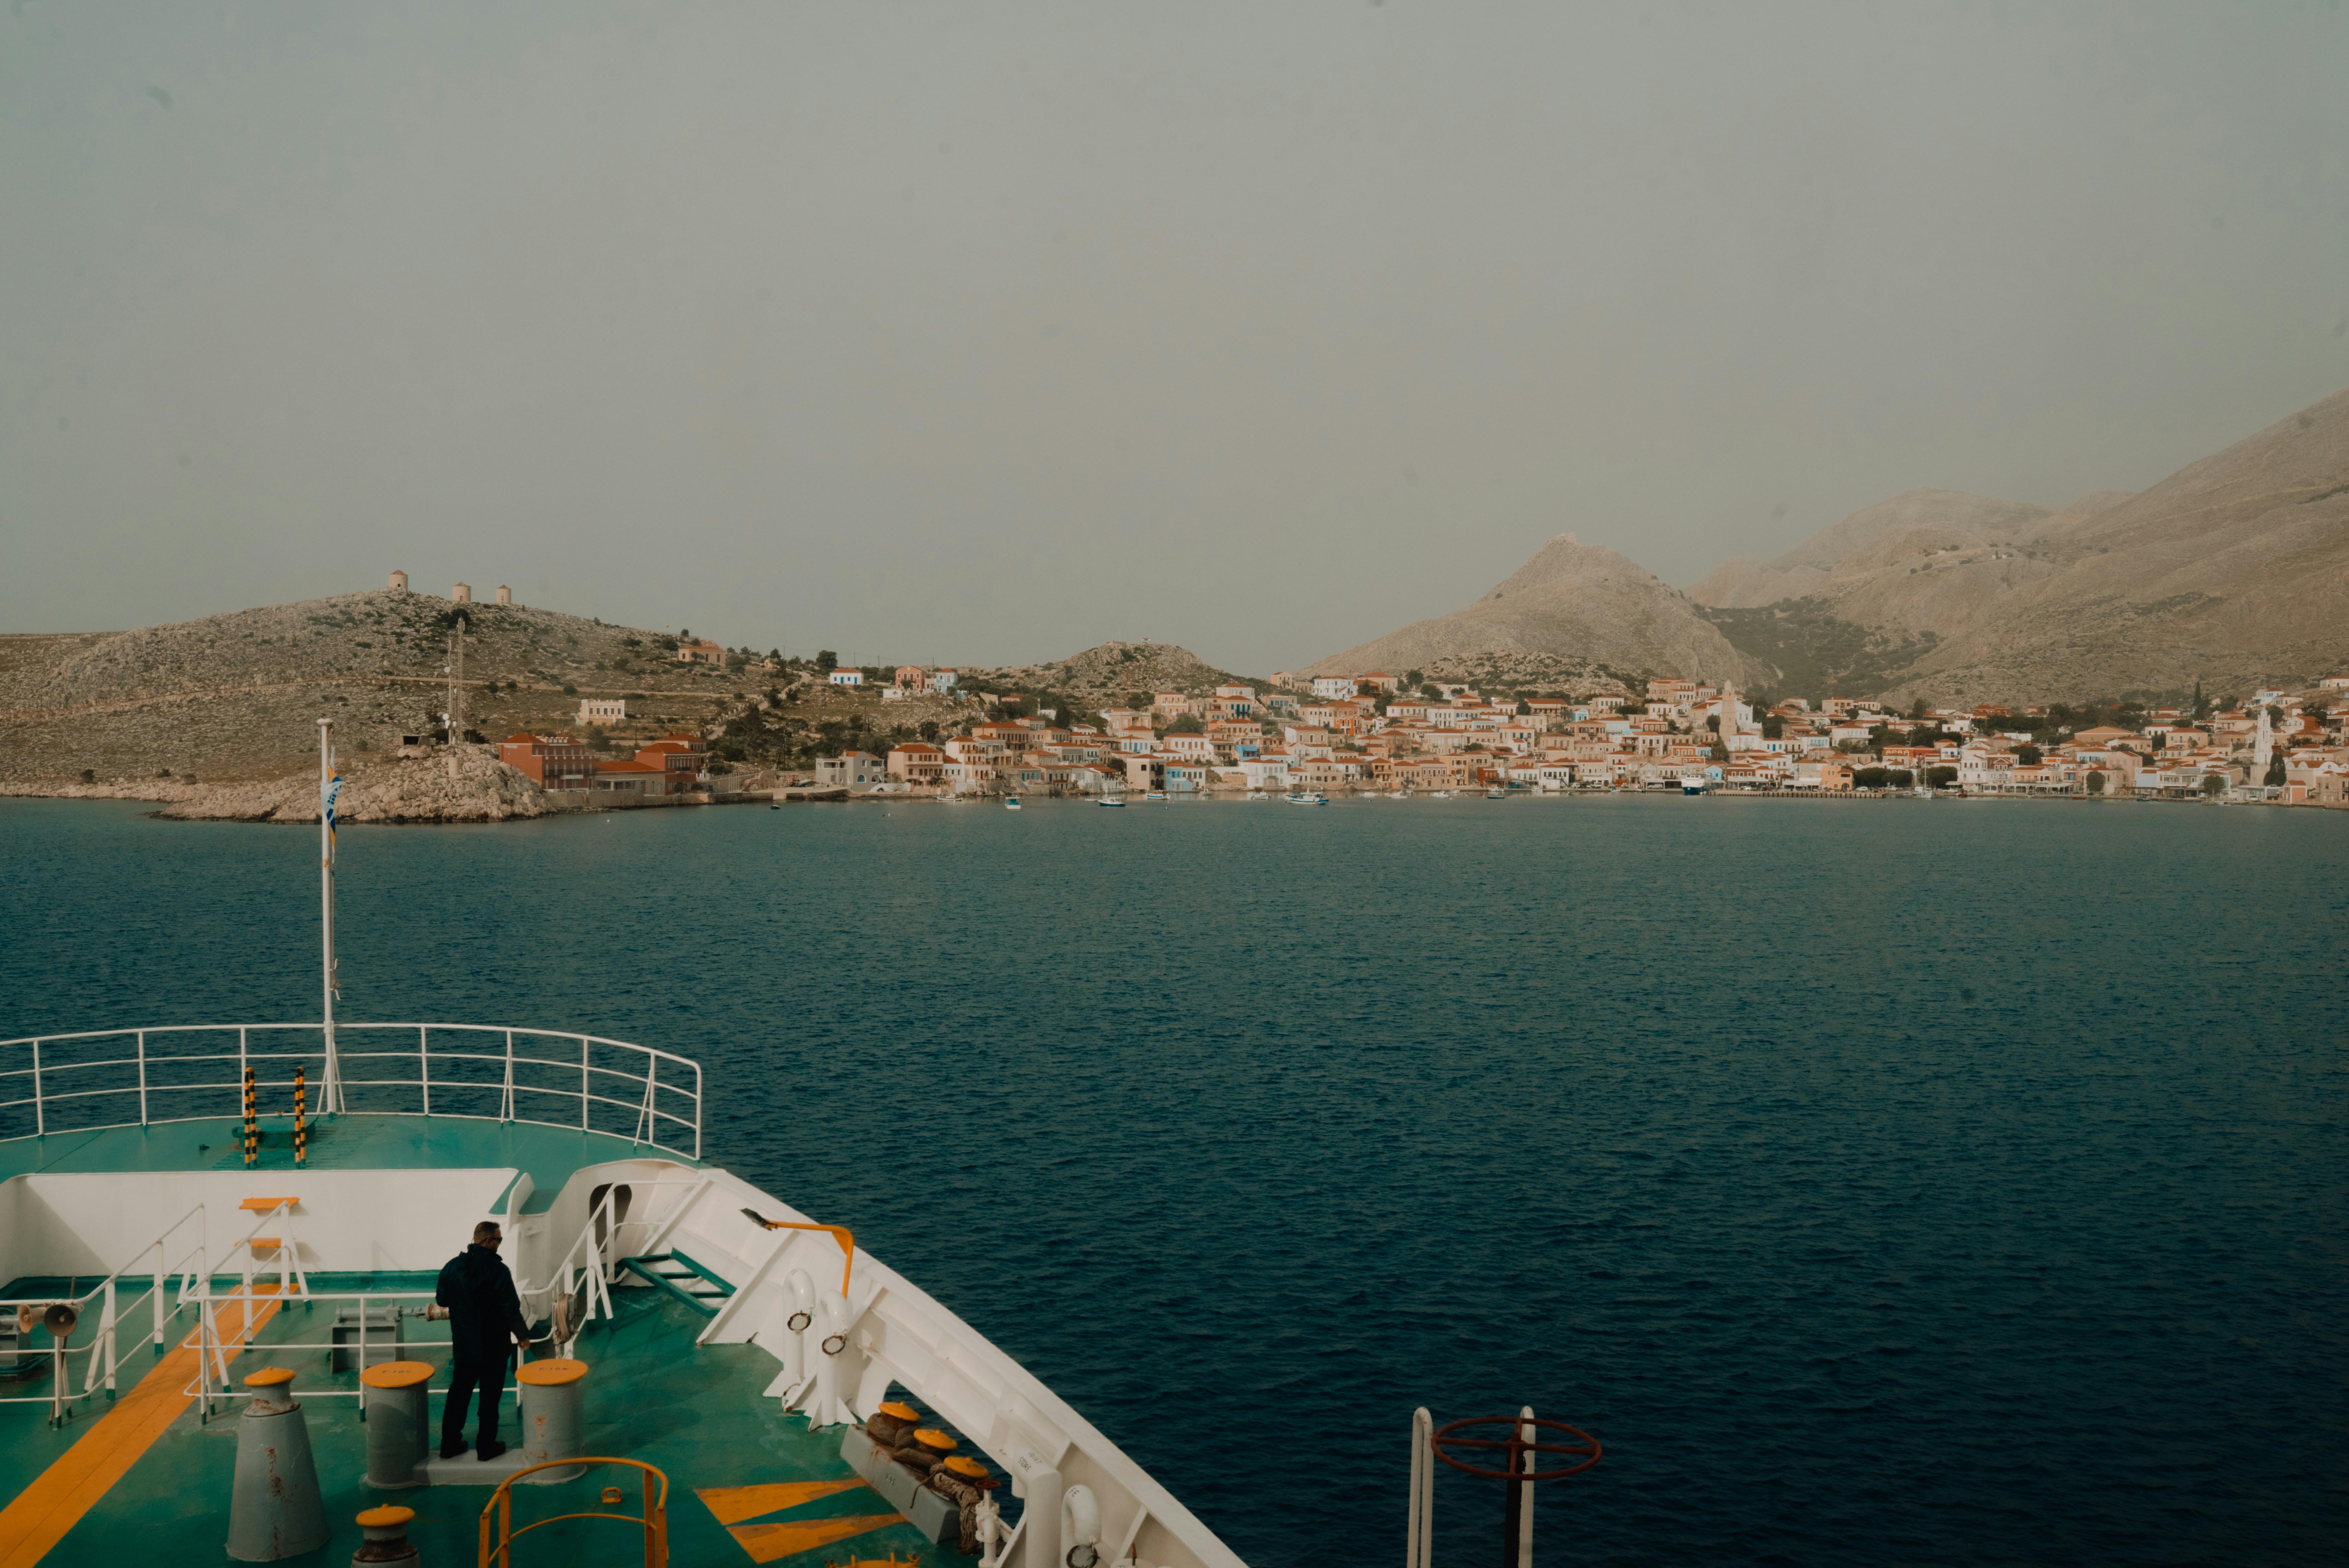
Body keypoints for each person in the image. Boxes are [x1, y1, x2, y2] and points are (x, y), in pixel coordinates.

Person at [437, 1218, 532, 1460]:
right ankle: (485, 1446)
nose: (500, 1244)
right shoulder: (499, 1271)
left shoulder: (452, 1267)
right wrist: (523, 1336)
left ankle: (449, 1444)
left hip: (465, 1348)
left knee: (459, 1395)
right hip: (494, 1348)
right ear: (489, 1242)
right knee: (490, 1400)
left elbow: (442, 1300)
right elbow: (510, 1308)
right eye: (499, 1240)